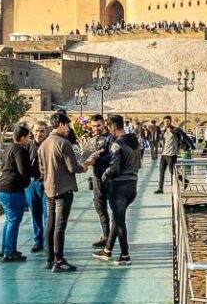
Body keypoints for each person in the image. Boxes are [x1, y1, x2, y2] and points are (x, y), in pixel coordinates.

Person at [38, 111, 87, 272]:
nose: (68, 129)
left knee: (50, 224)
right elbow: (72, 167)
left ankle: (49, 258)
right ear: (61, 124)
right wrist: (85, 166)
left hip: (49, 189)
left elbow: (42, 169)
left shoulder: (44, 144)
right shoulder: (63, 143)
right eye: (67, 125)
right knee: (60, 225)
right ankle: (59, 261)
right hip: (63, 189)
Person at [93, 115, 142, 265]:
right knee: (117, 218)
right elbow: (139, 164)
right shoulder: (135, 142)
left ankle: (125, 256)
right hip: (132, 185)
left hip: (119, 187)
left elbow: (114, 168)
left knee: (120, 221)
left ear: (113, 127)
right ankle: (107, 250)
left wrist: (104, 175)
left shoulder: (117, 144)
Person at [0, 124, 35, 262]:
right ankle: (10, 252)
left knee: (9, 220)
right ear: (22, 137)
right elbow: (23, 170)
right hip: (12, 189)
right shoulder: (19, 150)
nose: (29, 140)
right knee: (14, 221)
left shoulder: (7, 148)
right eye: (28, 137)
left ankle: (5, 248)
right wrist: (38, 172)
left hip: (2, 188)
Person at [87, 114, 114, 248]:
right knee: (100, 207)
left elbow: (113, 157)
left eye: (98, 125)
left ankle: (114, 237)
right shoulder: (93, 139)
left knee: (115, 209)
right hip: (97, 177)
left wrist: (97, 159)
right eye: (94, 126)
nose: (96, 128)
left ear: (104, 124)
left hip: (110, 178)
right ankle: (106, 235)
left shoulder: (111, 138)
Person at [24, 122, 49, 254]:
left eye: (42, 131)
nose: (39, 134)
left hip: (47, 184)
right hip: (32, 185)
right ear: (33, 132)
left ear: (46, 132)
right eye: (37, 131)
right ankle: (38, 241)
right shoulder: (28, 146)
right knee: (35, 214)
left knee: (47, 215)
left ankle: (47, 243)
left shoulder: (50, 145)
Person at [156, 115, 183, 194]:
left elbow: (181, 139)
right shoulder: (164, 131)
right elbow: (163, 141)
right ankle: (160, 188)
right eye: (164, 121)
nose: (166, 123)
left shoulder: (175, 130)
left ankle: (183, 181)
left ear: (170, 121)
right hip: (164, 154)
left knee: (172, 172)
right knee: (161, 170)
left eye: (167, 121)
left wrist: (178, 149)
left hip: (172, 155)